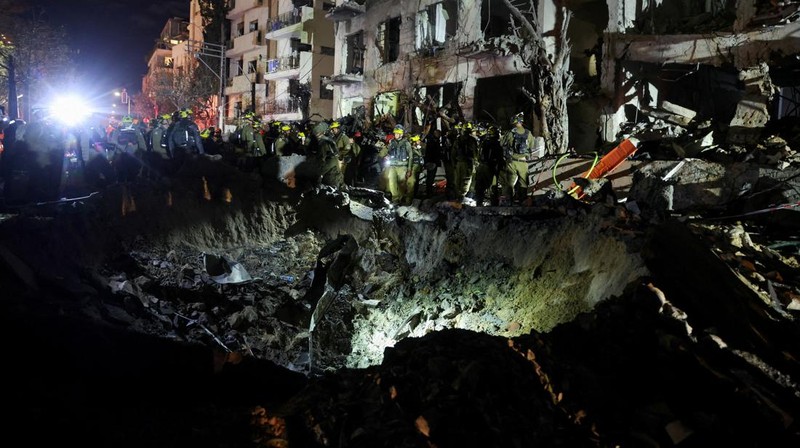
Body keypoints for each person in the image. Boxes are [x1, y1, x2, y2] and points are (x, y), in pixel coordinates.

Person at [500, 113, 536, 206]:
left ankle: (508, 202)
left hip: (511, 162)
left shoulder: (509, 133)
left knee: (509, 183)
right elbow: (532, 146)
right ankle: (522, 201)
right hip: (523, 162)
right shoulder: (528, 133)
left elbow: (502, 144)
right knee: (523, 183)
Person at [383, 124, 417, 205]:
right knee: (391, 181)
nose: (396, 135)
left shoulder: (406, 143)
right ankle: (395, 199)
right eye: (395, 133)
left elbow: (411, 156)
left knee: (402, 183)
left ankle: (402, 198)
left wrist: (409, 169)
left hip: (402, 166)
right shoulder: (392, 143)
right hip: (393, 165)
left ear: (401, 134)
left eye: (397, 133)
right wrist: (386, 155)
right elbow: (387, 151)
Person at [473, 125, 504, 206]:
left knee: (480, 186)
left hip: (481, 166)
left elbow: (478, 155)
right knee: (493, 186)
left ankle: (479, 203)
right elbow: (499, 158)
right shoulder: (497, 145)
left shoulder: (483, 143)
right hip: (490, 167)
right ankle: (494, 204)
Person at [308, 121, 342, 188]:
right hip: (332, 175)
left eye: (318, 134)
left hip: (331, 178)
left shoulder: (324, 144)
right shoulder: (328, 141)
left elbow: (324, 161)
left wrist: (319, 175)